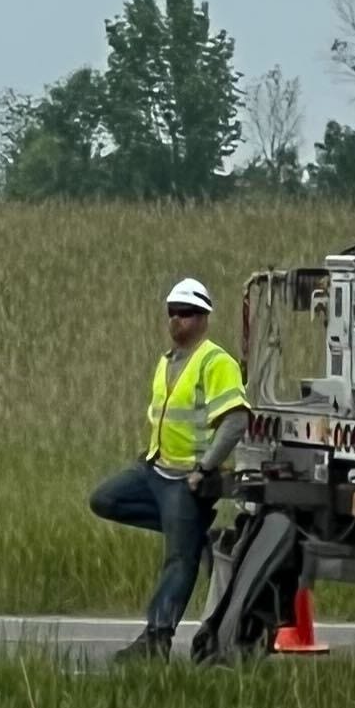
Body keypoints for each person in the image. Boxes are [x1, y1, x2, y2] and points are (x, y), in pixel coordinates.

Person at [91, 274, 248, 659]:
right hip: (154, 469)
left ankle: (156, 639)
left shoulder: (215, 361)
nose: (177, 319)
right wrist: (150, 454)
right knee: (104, 499)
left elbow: (236, 421)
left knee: (178, 560)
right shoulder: (167, 362)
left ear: (204, 317)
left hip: (185, 480)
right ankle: (191, 531)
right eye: (172, 312)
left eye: (187, 312)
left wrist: (205, 468)